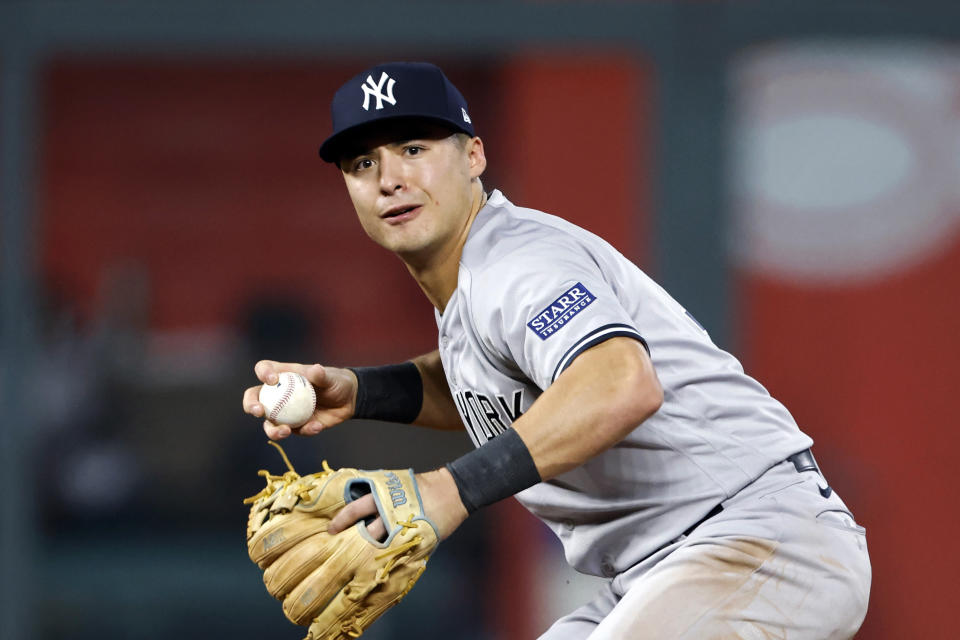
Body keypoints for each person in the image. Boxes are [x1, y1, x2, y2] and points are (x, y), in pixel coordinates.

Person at [242, 62, 871, 639]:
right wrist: (361, 392)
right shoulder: (473, 283)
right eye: (362, 164)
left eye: (414, 148)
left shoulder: (518, 265)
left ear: (473, 156)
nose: (390, 179)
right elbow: (502, 386)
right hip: (662, 568)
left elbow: (620, 384)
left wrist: (447, 490)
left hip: (756, 540)